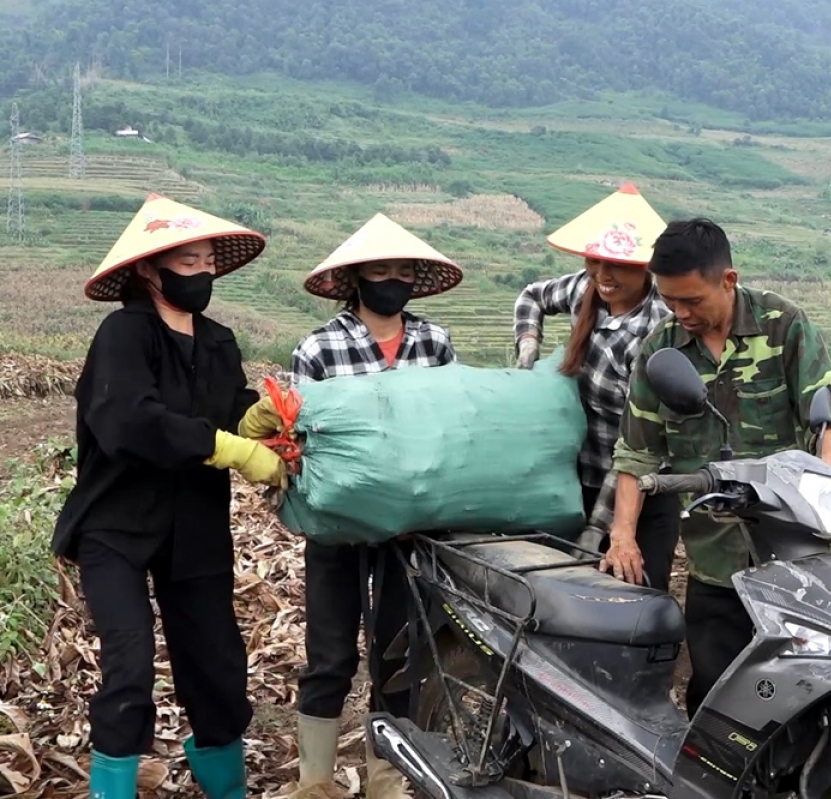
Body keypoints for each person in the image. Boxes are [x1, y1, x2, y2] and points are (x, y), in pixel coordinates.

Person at [52, 193, 286, 799]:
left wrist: (257, 420)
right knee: (129, 664)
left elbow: (227, 408)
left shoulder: (217, 339)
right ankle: (115, 786)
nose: (203, 272)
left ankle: (225, 784)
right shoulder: (123, 336)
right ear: (149, 271)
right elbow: (132, 420)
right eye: (188, 262)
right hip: (117, 523)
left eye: (208, 260)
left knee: (215, 663)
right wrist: (231, 449)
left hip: (195, 523)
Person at [590, 218, 831, 717]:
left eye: (692, 300)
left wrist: (825, 493)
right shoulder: (663, 350)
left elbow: (830, 419)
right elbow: (637, 449)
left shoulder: (783, 325)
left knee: (806, 688)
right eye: (671, 301)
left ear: (727, 280)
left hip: (791, 550)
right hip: (714, 557)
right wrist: (622, 534)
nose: (681, 313)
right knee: (714, 694)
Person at [239, 213, 461, 799]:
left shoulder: (434, 342)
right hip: (338, 526)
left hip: (411, 529)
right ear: (356, 279)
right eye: (379, 271)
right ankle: (315, 781)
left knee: (398, 651)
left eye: (402, 271)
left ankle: (389, 775)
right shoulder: (318, 347)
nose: (392, 281)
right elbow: (295, 434)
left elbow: (451, 426)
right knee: (330, 653)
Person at [512, 183, 680, 589]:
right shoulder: (583, 290)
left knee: (635, 591)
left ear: (646, 267)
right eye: (595, 262)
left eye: (618, 266)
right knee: (563, 593)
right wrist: (527, 352)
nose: (604, 276)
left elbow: (635, 443)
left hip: (640, 486)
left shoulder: (656, 330)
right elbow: (531, 297)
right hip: (574, 475)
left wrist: (597, 530)